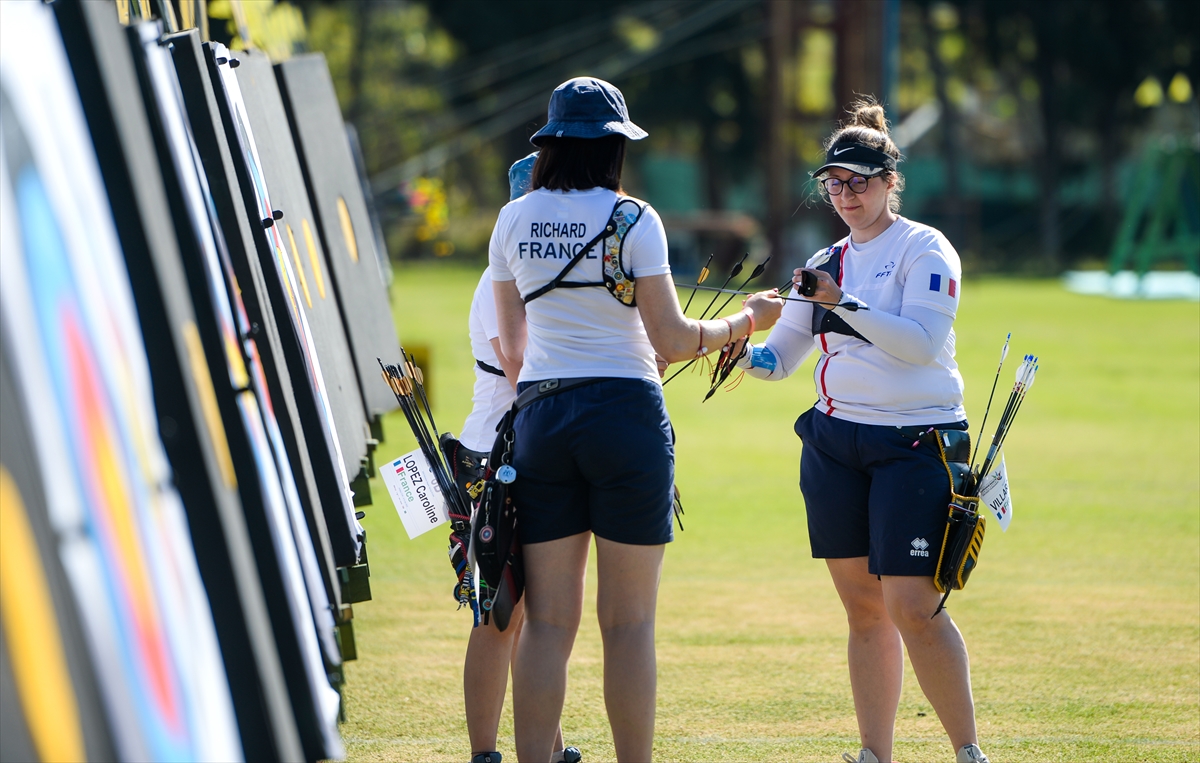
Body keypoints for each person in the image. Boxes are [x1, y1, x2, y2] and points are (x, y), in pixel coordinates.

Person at [489, 77, 783, 763]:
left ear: (552, 145)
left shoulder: (512, 220)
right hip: (624, 415)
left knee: (548, 625)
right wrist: (747, 321)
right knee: (627, 625)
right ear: (616, 146)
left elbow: (513, 352)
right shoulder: (634, 220)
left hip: (541, 416)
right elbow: (675, 342)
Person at [736, 98, 990, 763]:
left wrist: (839, 301)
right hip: (833, 444)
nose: (845, 194)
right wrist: (735, 344)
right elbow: (781, 359)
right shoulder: (824, 257)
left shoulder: (925, 247)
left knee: (912, 605)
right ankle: (874, 753)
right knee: (863, 609)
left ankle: (968, 750)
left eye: (859, 181)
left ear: (888, 181)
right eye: (834, 183)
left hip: (915, 443)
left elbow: (918, 342)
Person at [441, 152, 580, 763]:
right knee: (498, 613)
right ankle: (484, 753)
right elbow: (525, 368)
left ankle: (547, 748)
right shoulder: (503, 277)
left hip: (530, 449)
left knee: (536, 613)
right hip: (494, 454)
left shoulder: (531, 265)